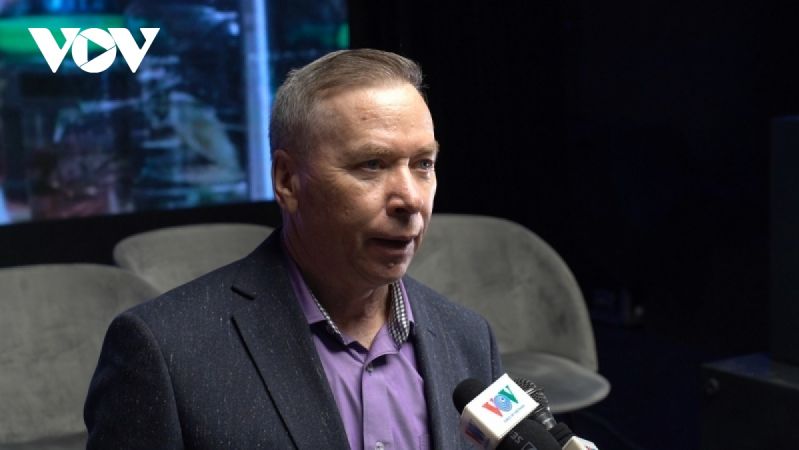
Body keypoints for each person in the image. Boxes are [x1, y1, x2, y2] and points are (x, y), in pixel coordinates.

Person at [84, 49, 503, 450]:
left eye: (423, 164)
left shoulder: (469, 338)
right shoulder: (164, 350)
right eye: (371, 165)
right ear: (287, 180)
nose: (410, 199)